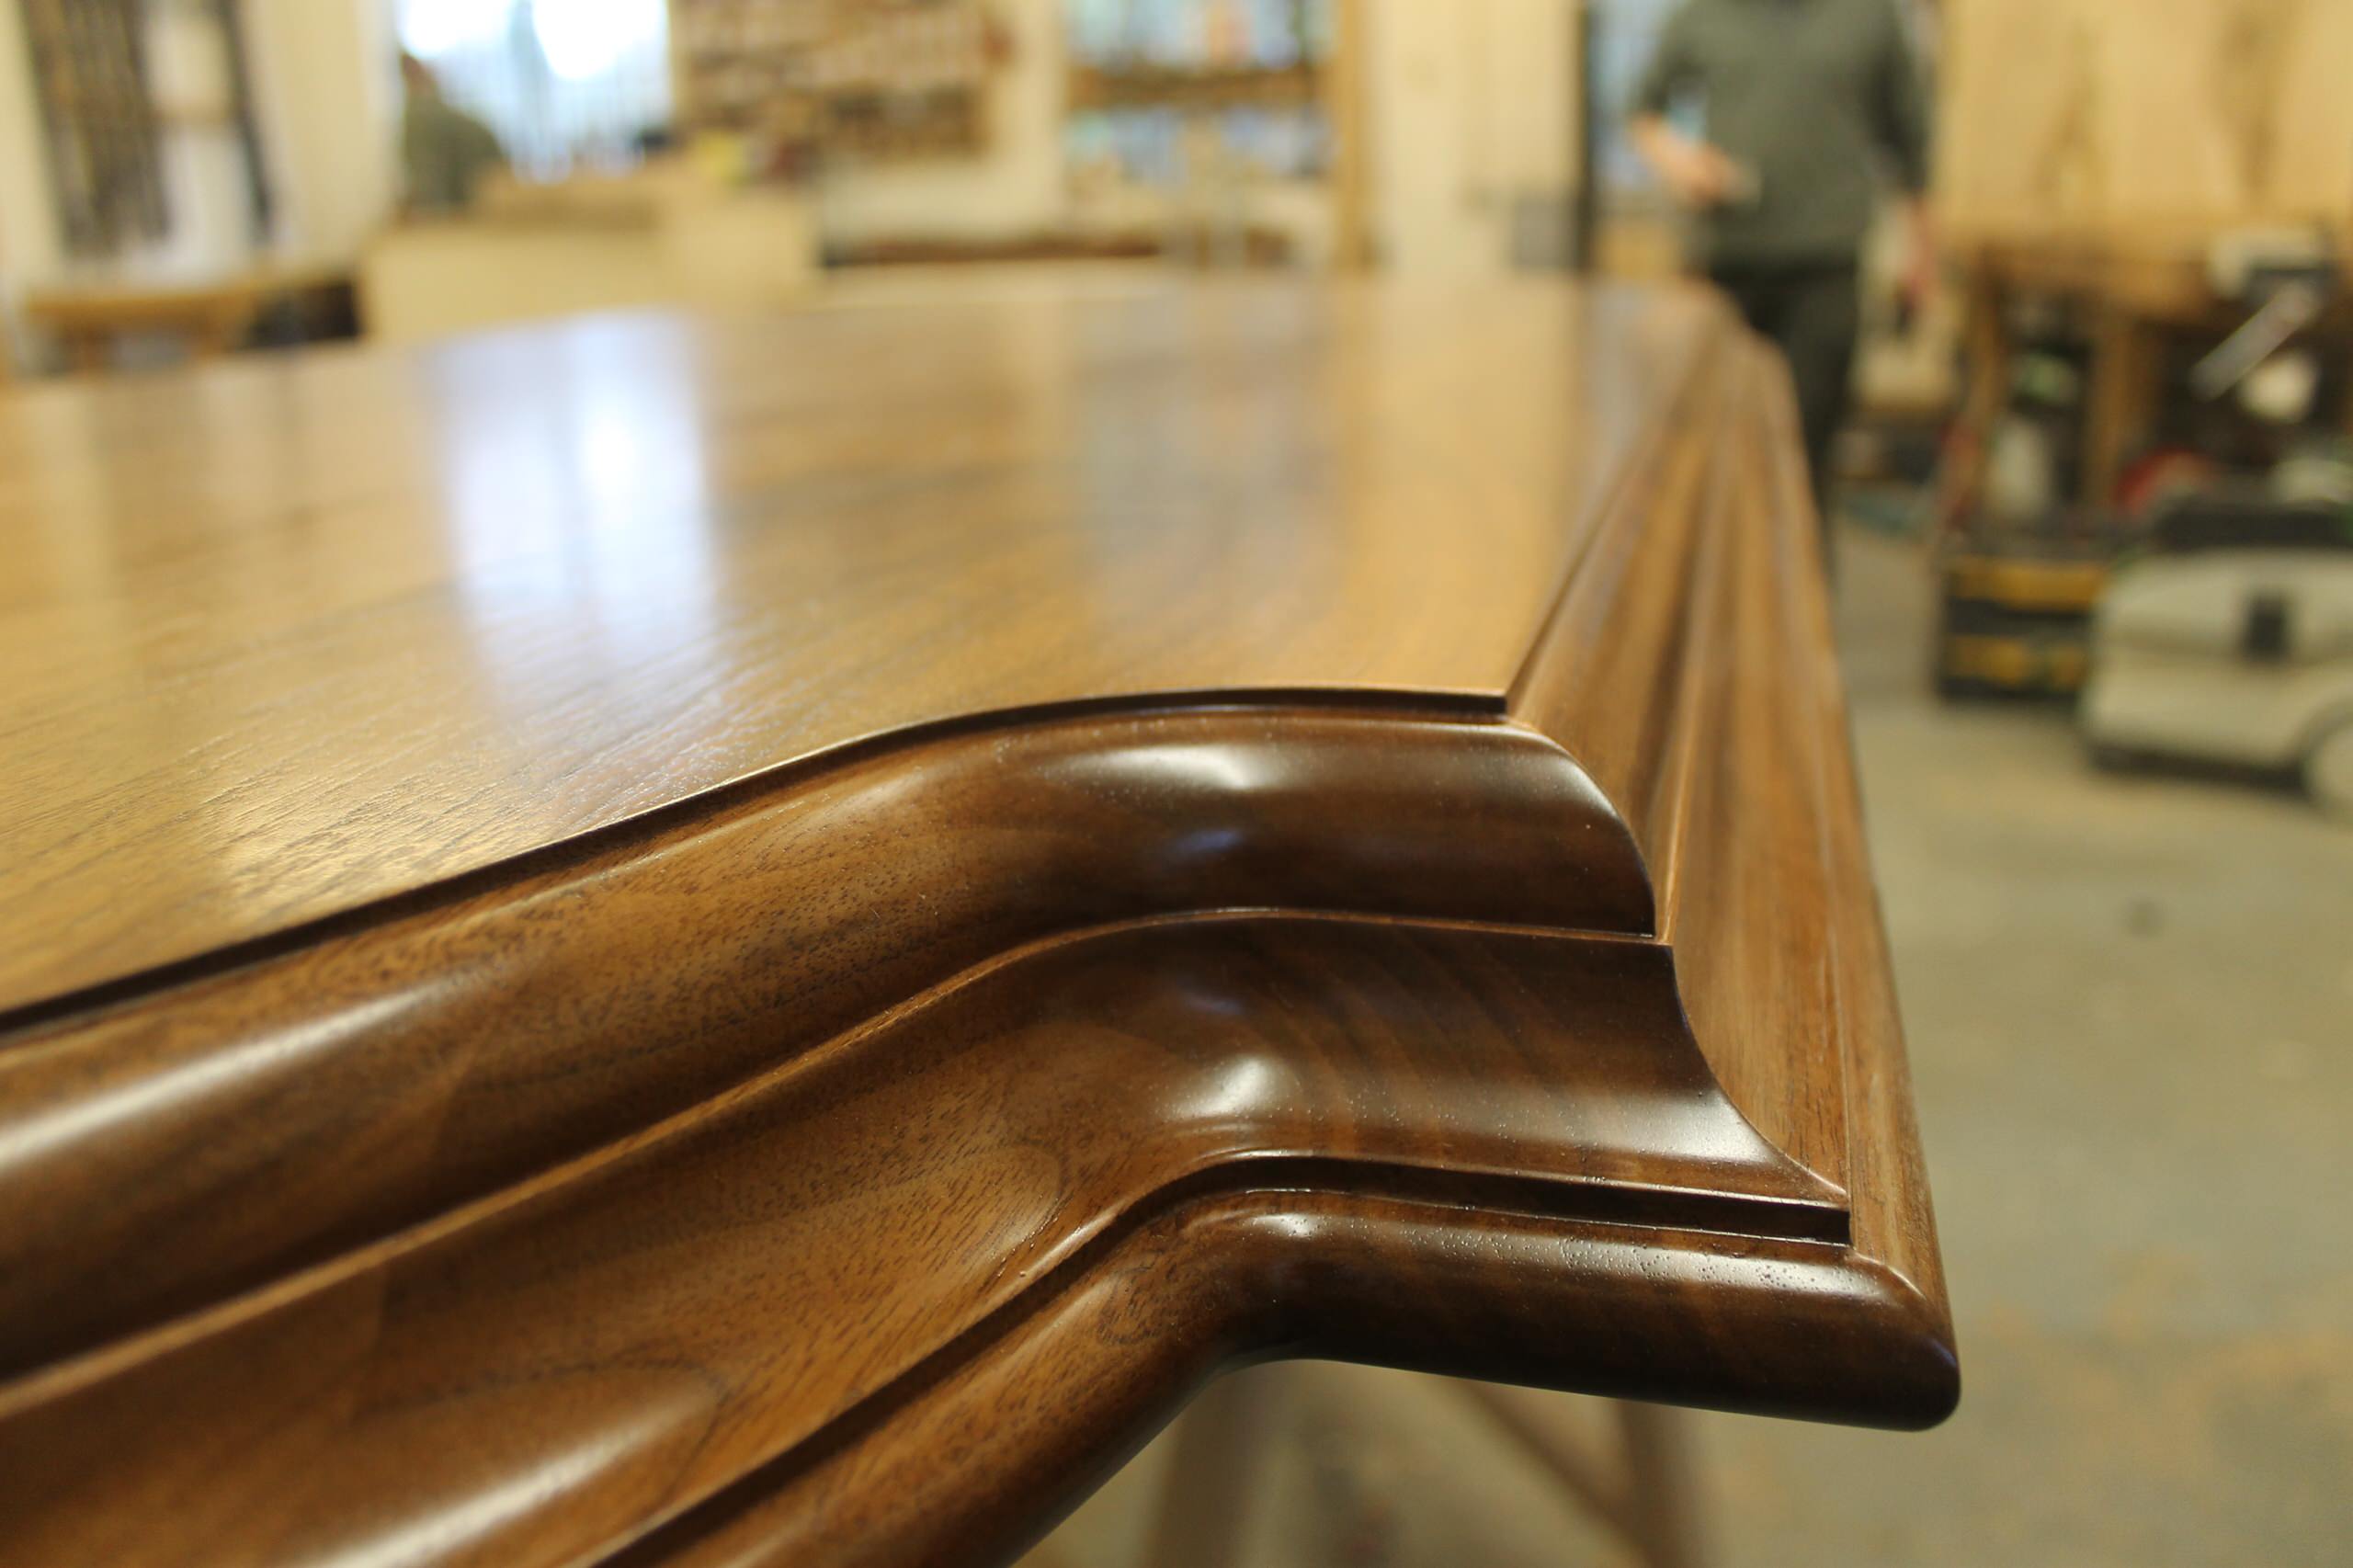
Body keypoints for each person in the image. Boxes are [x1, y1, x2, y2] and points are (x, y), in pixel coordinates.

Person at [1631, 0, 1934, 562]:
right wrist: (1681, 161)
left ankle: (1806, 634)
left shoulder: (1868, 18)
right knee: (1716, 465)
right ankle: (1726, 626)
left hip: (1824, 269)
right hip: (1727, 271)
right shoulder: (1703, 15)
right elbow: (1641, 111)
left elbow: (1912, 143)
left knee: (1800, 459)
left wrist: (1921, 256)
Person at [399, 54, 508, 216]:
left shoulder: (419, 115)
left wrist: (426, 209)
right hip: (491, 174)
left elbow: (429, 174)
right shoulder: (429, 107)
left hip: (486, 179)